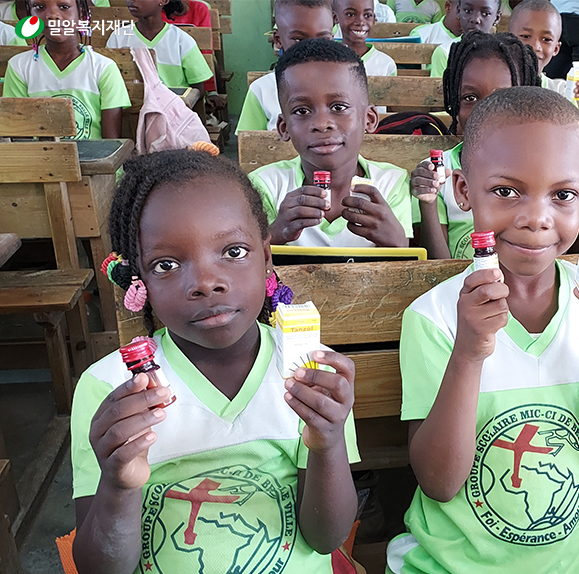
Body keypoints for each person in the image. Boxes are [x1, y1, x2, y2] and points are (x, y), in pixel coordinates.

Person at [386, 85, 579, 574]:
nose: (535, 220)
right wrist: (467, 354)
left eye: (562, 195)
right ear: (463, 191)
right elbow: (440, 482)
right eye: (506, 191)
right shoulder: (435, 316)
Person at [70, 147, 361, 574]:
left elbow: (327, 538)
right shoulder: (109, 388)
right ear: (140, 280)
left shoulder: (308, 371)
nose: (206, 283)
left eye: (234, 252)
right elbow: (100, 568)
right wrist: (118, 485)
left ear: (267, 257)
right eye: (167, 264)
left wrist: (328, 442)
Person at [250, 39, 412, 248]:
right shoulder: (266, 186)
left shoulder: (392, 183)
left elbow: (407, 271)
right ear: (283, 127)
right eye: (301, 111)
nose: (321, 124)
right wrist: (274, 235)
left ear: (369, 119)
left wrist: (398, 243)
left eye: (338, 107)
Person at [413, 31, 542, 259]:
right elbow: (437, 268)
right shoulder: (437, 171)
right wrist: (428, 202)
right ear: (455, 104)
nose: (485, 111)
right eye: (471, 98)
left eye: (504, 98)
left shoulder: (542, 169)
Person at [2, 0, 130, 139]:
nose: (52, 15)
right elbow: (19, 135)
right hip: (37, 158)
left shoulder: (103, 68)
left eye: (64, 7)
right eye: (39, 7)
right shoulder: (19, 66)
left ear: (81, 14)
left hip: (93, 159)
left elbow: (110, 144)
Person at [235, 0, 336, 134]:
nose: (312, 48)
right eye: (299, 39)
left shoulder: (348, 84)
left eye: (323, 39)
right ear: (278, 40)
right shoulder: (262, 90)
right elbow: (249, 145)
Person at [106, 0, 214, 93]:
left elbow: (198, 89)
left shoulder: (181, 40)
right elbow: (108, 82)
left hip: (174, 112)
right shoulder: (118, 37)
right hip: (131, 111)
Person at [507, 0, 579, 105]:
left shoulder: (561, 92)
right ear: (508, 39)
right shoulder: (496, 85)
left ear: (556, 49)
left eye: (546, 39)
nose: (535, 46)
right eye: (525, 36)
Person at [429, 0, 502, 78]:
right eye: (468, 11)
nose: (475, 19)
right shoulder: (445, 52)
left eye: (485, 13)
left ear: (497, 18)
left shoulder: (503, 53)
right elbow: (439, 88)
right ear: (458, 11)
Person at [336, 0, 398, 77]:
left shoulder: (386, 64)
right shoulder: (328, 60)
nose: (360, 22)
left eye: (368, 15)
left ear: (374, 19)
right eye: (350, 14)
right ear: (336, 17)